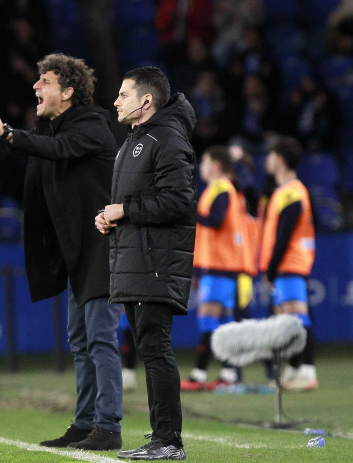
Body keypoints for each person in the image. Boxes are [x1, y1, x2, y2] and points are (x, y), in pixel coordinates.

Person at [0, 53, 123, 451]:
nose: (35, 87)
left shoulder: (93, 126)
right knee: (80, 341)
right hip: (76, 252)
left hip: (103, 247)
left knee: (99, 338)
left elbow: (57, 149)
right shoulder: (48, 128)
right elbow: (6, 150)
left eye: (44, 81)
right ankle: (85, 424)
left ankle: (109, 425)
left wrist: (10, 134)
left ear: (67, 91)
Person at [97, 66, 196, 460]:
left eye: (123, 94)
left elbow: (178, 201)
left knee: (155, 348)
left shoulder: (167, 139)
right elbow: (136, 207)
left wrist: (125, 209)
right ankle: (163, 439)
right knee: (149, 349)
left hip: (155, 263)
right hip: (136, 260)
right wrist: (110, 217)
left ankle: (169, 441)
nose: (116, 101)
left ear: (146, 100)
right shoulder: (135, 142)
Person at [181, 146, 246, 392]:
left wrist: (191, 210)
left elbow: (216, 220)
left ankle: (199, 374)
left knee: (209, 319)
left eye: (205, 162)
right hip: (218, 265)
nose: (202, 168)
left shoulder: (221, 188)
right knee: (224, 322)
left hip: (219, 266)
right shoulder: (220, 189)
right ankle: (229, 373)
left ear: (217, 165)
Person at [259, 136, 317, 392]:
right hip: (286, 265)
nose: (267, 160)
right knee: (290, 318)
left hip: (290, 263)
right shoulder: (284, 191)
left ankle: (307, 370)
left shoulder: (292, 191)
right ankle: (295, 369)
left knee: (297, 316)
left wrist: (271, 268)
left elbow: (284, 236)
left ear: (280, 160)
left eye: (270, 155)